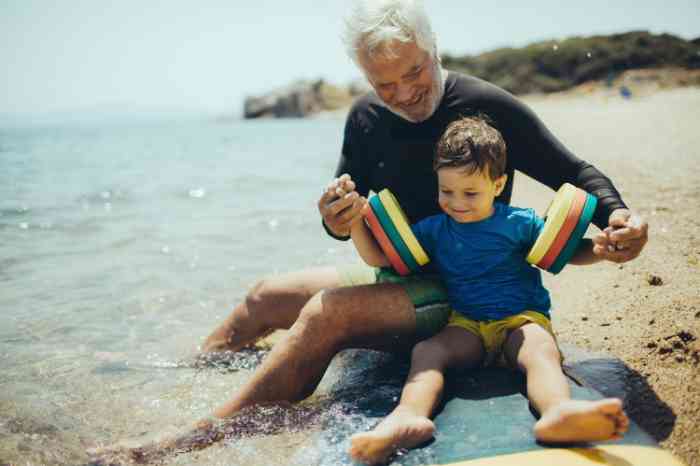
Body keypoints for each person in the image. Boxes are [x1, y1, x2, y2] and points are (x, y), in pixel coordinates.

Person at [89, 0, 648, 463]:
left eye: (414, 73)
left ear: (433, 51)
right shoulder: (364, 117)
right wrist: (334, 217)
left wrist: (617, 218)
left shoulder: (483, 105)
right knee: (264, 297)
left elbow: (573, 174)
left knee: (325, 314)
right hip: (398, 265)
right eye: (384, 83)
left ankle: (199, 435)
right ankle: (191, 371)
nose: (403, 93)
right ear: (364, 76)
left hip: (459, 289)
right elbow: (345, 205)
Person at [347, 115, 629, 464]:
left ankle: (557, 412)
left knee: (540, 351)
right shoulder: (435, 229)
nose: (457, 202)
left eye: (470, 192)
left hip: (520, 321)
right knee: (428, 352)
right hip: (467, 326)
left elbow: (565, 253)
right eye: (446, 191)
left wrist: (600, 251)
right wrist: (356, 224)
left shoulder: (519, 223)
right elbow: (382, 257)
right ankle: (407, 418)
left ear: (498, 185)